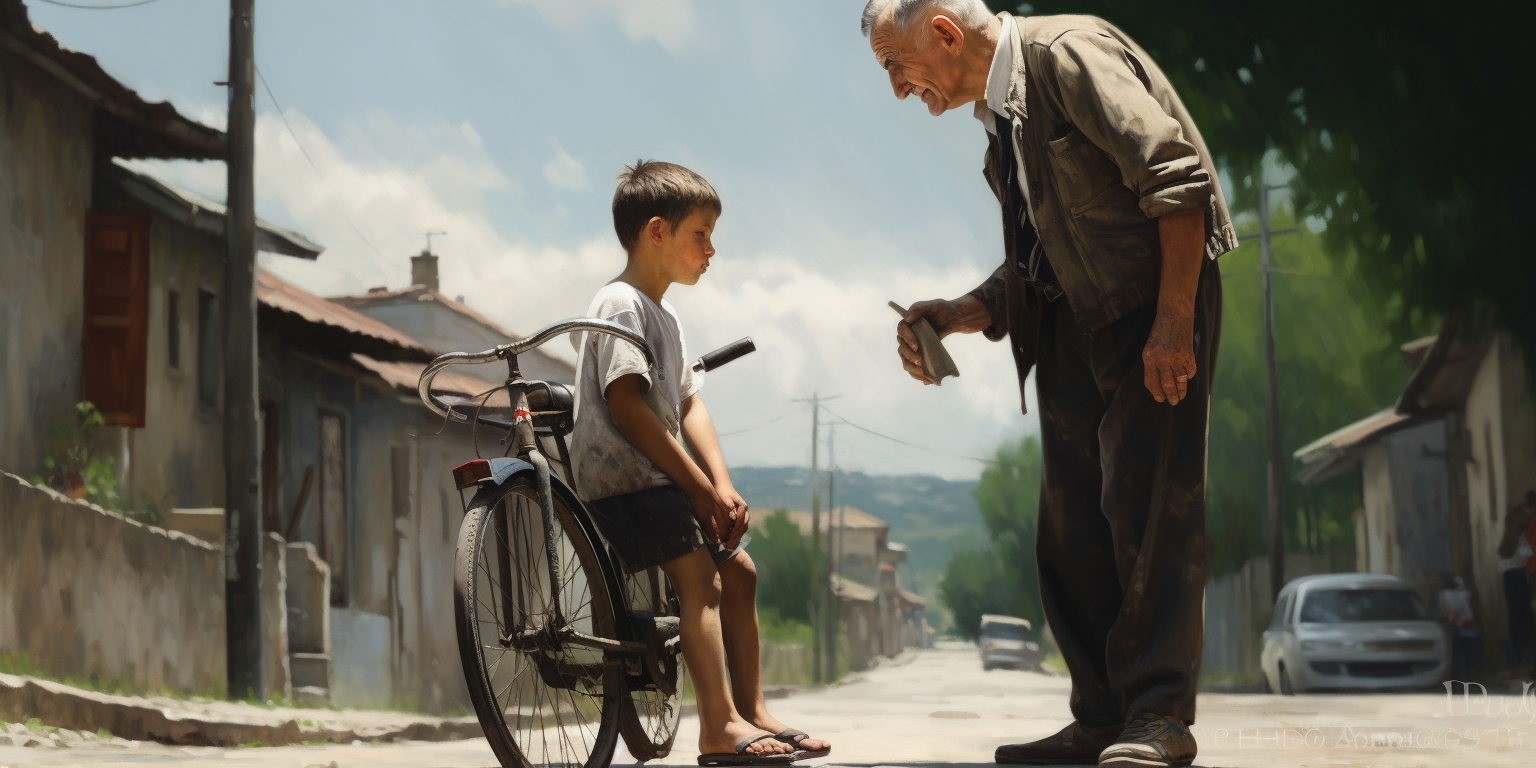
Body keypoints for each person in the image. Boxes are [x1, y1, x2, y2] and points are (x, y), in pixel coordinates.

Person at [860, 1, 1237, 766]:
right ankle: (1101, 718)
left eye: (896, 68)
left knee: (1149, 508)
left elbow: (1177, 176)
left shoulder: (1065, 53)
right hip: (1073, 321)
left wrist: (1172, 322)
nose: (899, 90)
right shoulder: (1001, 124)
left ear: (943, 33)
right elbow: (1046, 253)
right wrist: (965, 311)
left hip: (1150, 300)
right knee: (1070, 527)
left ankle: (1159, 718)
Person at [568, 160, 830, 766]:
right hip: (626, 480)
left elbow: (689, 403)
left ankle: (752, 711)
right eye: (701, 234)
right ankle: (717, 729)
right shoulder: (619, 303)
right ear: (657, 231)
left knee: (741, 573)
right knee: (702, 579)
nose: (712, 250)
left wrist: (722, 484)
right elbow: (628, 408)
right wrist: (696, 487)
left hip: (662, 478)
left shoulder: (667, 316)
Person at [1497, 491, 1536, 677]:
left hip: (1513, 571)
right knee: (1520, 618)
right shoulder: (1521, 523)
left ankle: (1516, 662)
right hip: (1516, 573)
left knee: (1519, 618)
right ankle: (1516, 663)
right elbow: (1527, 550)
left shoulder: (1516, 519)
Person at [1438, 576, 1480, 681]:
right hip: (1470, 628)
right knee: (1466, 657)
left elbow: (1453, 614)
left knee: (1457, 656)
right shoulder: (1464, 594)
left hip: (1458, 629)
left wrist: (1446, 625)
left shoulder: (1446, 595)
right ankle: (1465, 678)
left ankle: (1459, 680)